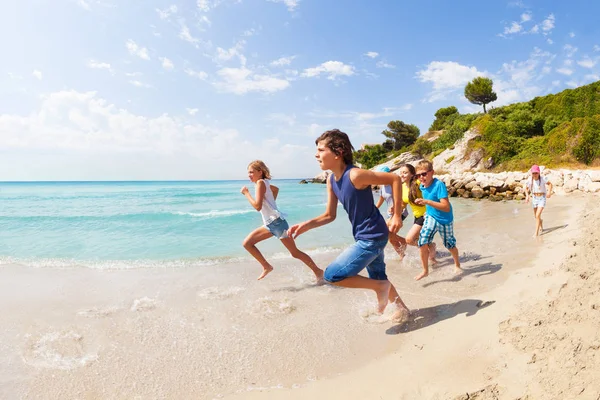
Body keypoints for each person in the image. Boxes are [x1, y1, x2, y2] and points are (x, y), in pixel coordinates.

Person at [288, 129, 410, 320]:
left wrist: (396, 215)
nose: (316, 154)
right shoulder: (331, 180)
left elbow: (394, 179)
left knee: (332, 276)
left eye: (321, 150)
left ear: (338, 152)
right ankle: (402, 310)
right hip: (368, 235)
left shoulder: (355, 175)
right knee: (379, 277)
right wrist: (307, 224)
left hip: (372, 237)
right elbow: (329, 215)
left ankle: (381, 288)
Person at [241, 160, 324, 282]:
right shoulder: (264, 183)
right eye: (248, 173)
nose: (249, 175)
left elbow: (257, 206)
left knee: (295, 253)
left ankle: (318, 271)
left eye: (251, 172)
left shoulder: (260, 183)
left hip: (277, 224)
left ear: (260, 172)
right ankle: (266, 266)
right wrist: (271, 205)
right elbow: (275, 190)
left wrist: (246, 193)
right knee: (247, 243)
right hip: (271, 223)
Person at [413, 159, 462, 281]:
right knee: (422, 241)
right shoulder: (421, 186)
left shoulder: (439, 185)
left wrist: (427, 202)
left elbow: (445, 207)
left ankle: (457, 265)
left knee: (449, 245)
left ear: (432, 172)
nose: (421, 177)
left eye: (424, 174)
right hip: (431, 217)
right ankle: (425, 270)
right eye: (418, 175)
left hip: (445, 219)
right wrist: (427, 210)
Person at [396, 163, 438, 263]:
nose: (402, 175)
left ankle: (430, 248)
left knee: (409, 239)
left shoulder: (418, 183)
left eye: (405, 173)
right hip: (417, 216)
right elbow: (404, 204)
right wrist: (394, 210)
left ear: (412, 174)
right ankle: (431, 252)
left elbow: (431, 192)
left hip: (426, 215)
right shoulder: (402, 187)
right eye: (401, 173)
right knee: (419, 240)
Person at [374, 165, 408, 258]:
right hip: (390, 214)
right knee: (390, 237)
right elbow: (381, 198)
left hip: (400, 212)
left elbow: (401, 199)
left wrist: (396, 209)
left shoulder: (394, 184)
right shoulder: (382, 187)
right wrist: (374, 209)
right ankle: (402, 255)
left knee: (386, 234)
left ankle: (405, 241)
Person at [524, 164, 553, 237]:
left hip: (542, 198)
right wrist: (527, 196)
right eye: (533, 173)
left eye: (536, 173)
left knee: (537, 215)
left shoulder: (543, 179)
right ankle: (541, 222)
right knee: (536, 216)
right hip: (534, 198)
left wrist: (549, 192)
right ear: (531, 173)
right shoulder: (530, 180)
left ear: (539, 172)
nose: (535, 174)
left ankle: (536, 233)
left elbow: (550, 184)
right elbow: (526, 188)